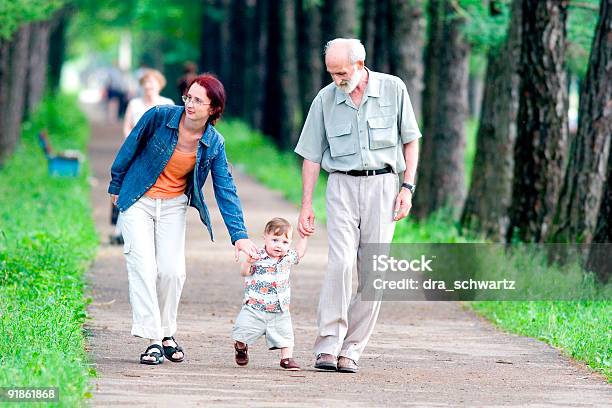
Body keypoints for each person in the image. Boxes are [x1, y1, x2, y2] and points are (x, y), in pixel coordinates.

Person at [108, 73, 259, 365]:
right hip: (138, 200)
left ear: (213, 109)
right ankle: (153, 340)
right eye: (188, 97)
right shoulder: (159, 117)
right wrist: (116, 185)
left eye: (198, 100)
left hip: (174, 205)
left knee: (172, 272)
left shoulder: (214, 143)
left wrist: (239, 236)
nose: (190, 104)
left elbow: (225, 188)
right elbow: (129, 149)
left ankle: (167, 333)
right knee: (143, 267)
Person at [294, 38, 421, 373]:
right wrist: (306, 205)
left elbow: (410, 140)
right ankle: (328, 345)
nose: (337, 78)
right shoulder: (325, 99)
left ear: (360, 65)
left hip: (384, 184)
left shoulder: (393, 89)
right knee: (339, 263)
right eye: (332, 72)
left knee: (374, 272)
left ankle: (351, 348)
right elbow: (311, 156)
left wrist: (407, 187)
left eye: (342, 72)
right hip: (342, 186)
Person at [232, 218, 307, 371]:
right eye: (274, 240)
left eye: (285, 242)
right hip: (255, 306)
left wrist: (304, 237)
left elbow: (299, 254)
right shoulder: (257, 256)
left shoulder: (287, 257)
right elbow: (244, 272)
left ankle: (286, 358)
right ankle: (240, 347)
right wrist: (249, 262)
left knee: (286, 335)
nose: (279, 245)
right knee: (242, 331)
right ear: (264, 238)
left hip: (280, 308)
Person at [109, 69, 175, 245]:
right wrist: (132, 145)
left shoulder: (167, 104)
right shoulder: (134, 104)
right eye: (145, 82)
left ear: (159, 85)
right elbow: (127, 127)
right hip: (136, 153)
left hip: (159, 155)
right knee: (129, 186)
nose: (148, 86)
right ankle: (119, 231)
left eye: (152, 82)